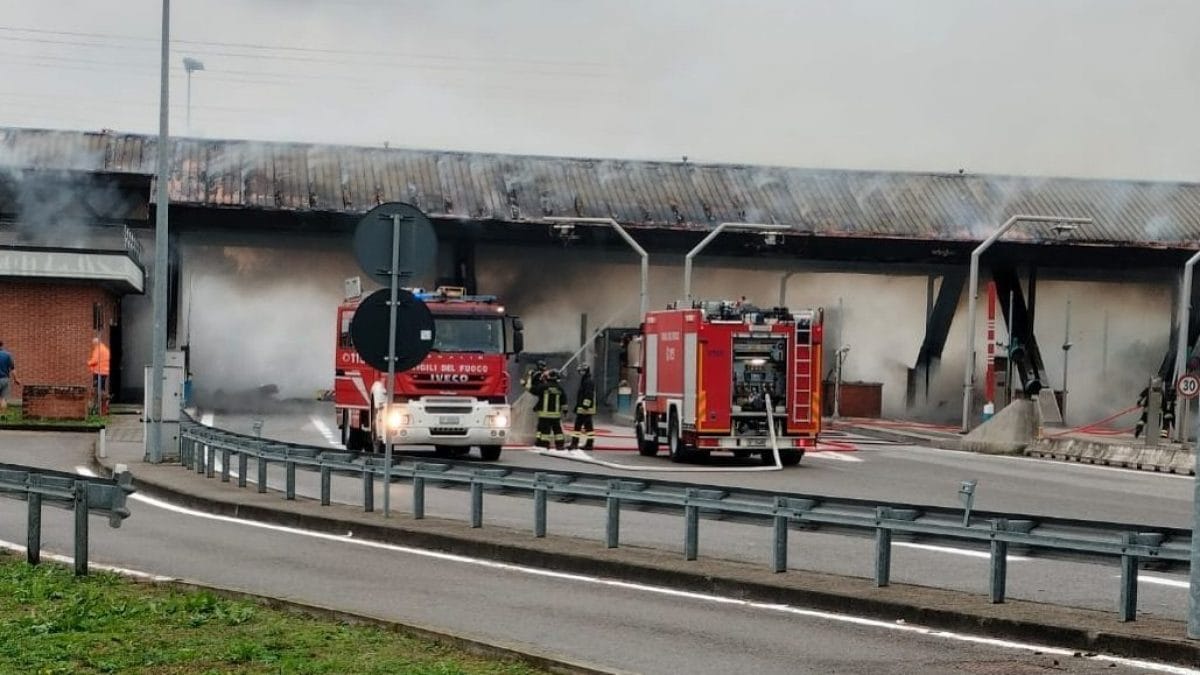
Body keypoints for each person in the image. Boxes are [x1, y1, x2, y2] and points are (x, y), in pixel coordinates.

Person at [531, 368, 567, 450]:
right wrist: (565, 411)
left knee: (544, 431)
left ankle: (543, 444)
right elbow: (564, 401)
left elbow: (534, 391)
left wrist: (535, 380)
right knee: (558, 431)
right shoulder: (560, 388)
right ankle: (560, 445)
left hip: (545, 415)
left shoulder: (544, 387)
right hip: (556, 416)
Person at [568, 363, 596, 451]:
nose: (580, 372)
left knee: (578, 426)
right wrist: (577, 406)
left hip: (585, 409)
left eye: (581, 371)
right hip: (584, 408)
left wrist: (585, 405)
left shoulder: (588, 381)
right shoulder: (585, 380)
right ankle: (589, 444)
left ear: (585, 371)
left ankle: (575, 443)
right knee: (588, 427)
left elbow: (588, 394)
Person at [87, 337, 111, 415]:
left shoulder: (98, 349)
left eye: (93, 344)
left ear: (95, 343)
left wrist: (88, 363)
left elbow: (95, 360)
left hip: (98, 372)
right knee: (102, 389)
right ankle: (104, 405)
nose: (93, 346)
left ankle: (96, 406)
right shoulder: (105, 349)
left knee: (96, 389)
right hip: (105, 372)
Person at [0, 341, 17, 413]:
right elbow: (13, 369)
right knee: (3, 399)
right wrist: (16, 379)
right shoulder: (8, 355)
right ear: (2, 345)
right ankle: (2, 416)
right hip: (5, 379)